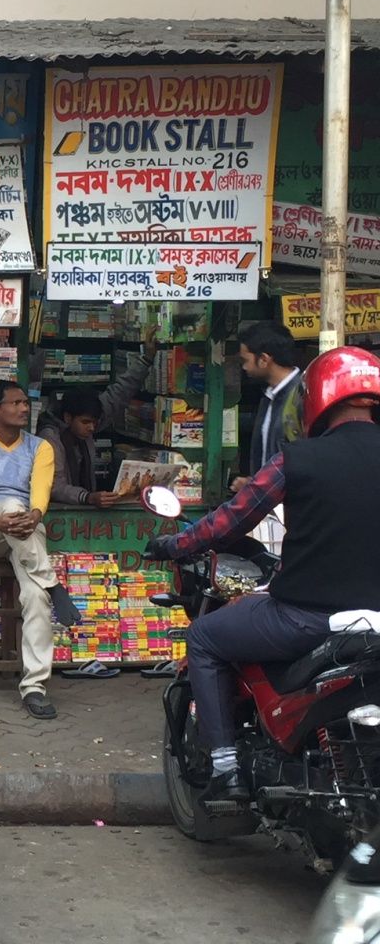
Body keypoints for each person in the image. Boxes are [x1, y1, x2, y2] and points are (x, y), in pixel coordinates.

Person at [146, 346, 380, 804]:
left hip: (304, 618)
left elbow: (230, 521)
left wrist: (175, 544)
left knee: (205, 640)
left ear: (319, 398)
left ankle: (226, 768)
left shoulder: (297, 459)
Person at [0, 380, 82, 720]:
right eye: (15, 403)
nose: (24, 409)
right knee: (11, 503)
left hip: (24, 532)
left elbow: (40, 491)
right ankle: (53, 582)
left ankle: (34, 687)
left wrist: (35, 514)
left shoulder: (40, 447)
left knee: (35, 598)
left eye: (25, 403)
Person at [37, 327, 158, 507]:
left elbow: (119, 393)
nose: (92, 428)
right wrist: (87, 497)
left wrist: (146, 359)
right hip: (64, 509)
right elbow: (54, 486)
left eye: (94, 422)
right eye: (85, 422)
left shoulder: (87, 424)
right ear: (68, 418)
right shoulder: (50, 439)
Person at [231, 321, 303, 493]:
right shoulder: (268, 397)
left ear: (263, 359)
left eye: (245, 360)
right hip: (268, 506)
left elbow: (301, 465)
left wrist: (258, 487)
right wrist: (254, 484)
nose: (244, 367)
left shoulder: (302, 397)